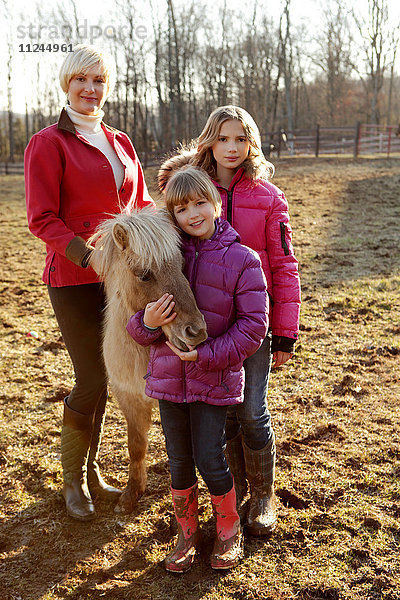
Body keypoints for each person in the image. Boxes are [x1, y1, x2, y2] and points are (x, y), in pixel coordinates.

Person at [24, 44, 154, 521]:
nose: (90, 89)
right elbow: (42, 219)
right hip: (75, 279)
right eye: (81, 79)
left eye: (98, 81)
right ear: (67, 83)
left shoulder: (120, 141)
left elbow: (140, 206)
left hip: (124, 283)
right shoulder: (48, 142)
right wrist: (90, 255)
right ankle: (74, 478)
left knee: (119, 375)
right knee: (92, 377)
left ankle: (95, 470)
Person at [158, 105, 301, 536]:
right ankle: (231, 491)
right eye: (223, 138)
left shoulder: (269, 196)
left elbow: (284, 265)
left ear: (252, 143)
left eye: (241, 138)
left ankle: (262, 495)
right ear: (209, 141)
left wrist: (285, 332)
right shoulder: (187, 187)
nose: (232, 147)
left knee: (253, 412)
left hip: (252, 321)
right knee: (225, 414)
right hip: (204, 320)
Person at [126, 166, 268, 571]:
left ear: (217, 202)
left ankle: (228, 529)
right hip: (170, 381)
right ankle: (186, 534)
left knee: (210, 457)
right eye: (181, 207)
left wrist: (206, 356)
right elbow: (139, 325)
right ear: (171, 214)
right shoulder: (168, 256)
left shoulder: (243, 259)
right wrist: (149, 323)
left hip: (213, 379)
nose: (192, 214)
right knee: (178, 460)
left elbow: (254, 327)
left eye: (200, 203)